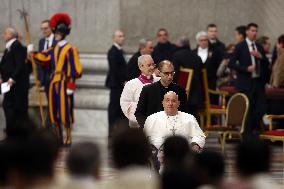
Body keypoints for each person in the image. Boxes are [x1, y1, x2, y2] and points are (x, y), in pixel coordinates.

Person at [30, 13, 83, 146]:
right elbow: (43, 58)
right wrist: (32, 53)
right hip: (54, 83)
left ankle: (68, 137)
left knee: (65, 111)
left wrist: (71, 86)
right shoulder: (54, 49)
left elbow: (75, 69)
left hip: (64, 83)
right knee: (54, 112)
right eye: (56, 32)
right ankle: (58, 138)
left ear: (64, 33)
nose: (57, 34)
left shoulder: (71, 49)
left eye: (59, 32)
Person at [229, 23, 269, 136]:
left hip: (258, 82)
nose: (254, 33)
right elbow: (231, 63)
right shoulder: (240, 46)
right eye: (252, 30)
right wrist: (246, 68)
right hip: (246, 83)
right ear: (247, 32)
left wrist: (261, 57)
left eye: (256, 31)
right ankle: (247, 135)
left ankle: (253, 130)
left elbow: (266, 63)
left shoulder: (259, 46)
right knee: (248, 110)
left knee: (261, 109)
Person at [135, 60, 188, 127]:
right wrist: (149, 127)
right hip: (152, 129)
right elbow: (139, 113)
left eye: (172, 73)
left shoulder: (180, 90)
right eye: (166, 73)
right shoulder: (148, 90)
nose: (170, 77)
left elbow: (185, 113)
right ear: (159, 73)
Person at [0, 27, 29, 132]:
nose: (3, 35)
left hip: (12, 83)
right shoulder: (9, 47)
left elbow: (19, 64)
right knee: (7, 105)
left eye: (5, 33)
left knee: (9, 105)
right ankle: (10, 129)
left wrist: (12, 78)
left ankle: (11, 130)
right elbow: (4, 64)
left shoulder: (16, 45)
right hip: (6, 81)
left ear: (11, 35)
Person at [120, 55, 159, 128]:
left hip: (157, 124)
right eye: (149, 65)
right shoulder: (131, 84)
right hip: (138, 125)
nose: (152, 67)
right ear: (140, 67)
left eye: (153, 64)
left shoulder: (159, 81)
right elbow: (125, 104)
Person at [172, 36, 203, 118]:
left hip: (182, 94)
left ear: (179, 45)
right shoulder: (197, 57)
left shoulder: (176, 56)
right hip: (197, 94)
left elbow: (175, 76)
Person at [105, 30, 128, 136]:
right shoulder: (113, 51)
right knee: (114, 108)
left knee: (119, 108)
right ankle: (111, 130)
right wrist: (123, 81)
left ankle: (118, 130)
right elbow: (115, 70)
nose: (121, 38)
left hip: (120, 85)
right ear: (114, 38)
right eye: (119, 36)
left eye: (122, 36)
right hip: (116, 85)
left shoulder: (120, 51)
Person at [38, 20, 56, 93]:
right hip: (45, 78)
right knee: (49, 101)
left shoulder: (57, 40)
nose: (44, 31)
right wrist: (39, 78)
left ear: (51, 28)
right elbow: (39, 60)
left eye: (46, 28)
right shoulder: (41, 41)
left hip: (55, 76)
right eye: (42, 29)